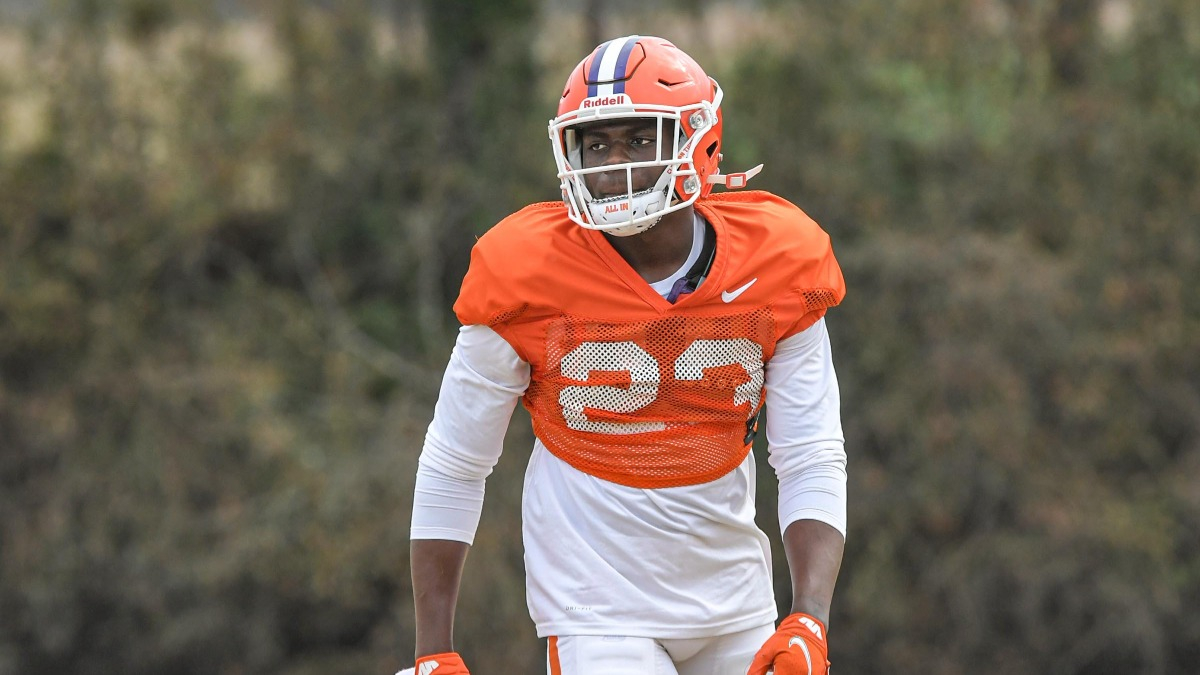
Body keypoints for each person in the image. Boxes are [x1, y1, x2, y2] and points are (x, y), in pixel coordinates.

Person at [402, 35, 847, 675]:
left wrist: (807, 618)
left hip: (736, 602)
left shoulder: (777, 261)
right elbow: (455, 461)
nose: (613, 162)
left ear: (701, 140)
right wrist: (433, 650)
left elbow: (810, 453)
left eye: (639, 140)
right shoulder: (526, 271)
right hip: (596, 607)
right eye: (597, 143)